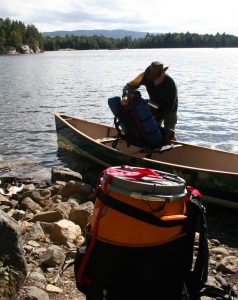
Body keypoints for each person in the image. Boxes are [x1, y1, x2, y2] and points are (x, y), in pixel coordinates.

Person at [122, 61, 178, 144]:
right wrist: (125, 96)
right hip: (154, 104)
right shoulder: (144, 76)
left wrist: (156, 118)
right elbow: (128, 86)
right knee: (151, 131)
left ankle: (171, 146)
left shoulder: (170, 84)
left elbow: (168, 109)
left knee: (168, 133)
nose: (153, 80)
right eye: (151, 78)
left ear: (162, 74)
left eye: (155, 78)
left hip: (170, 108)